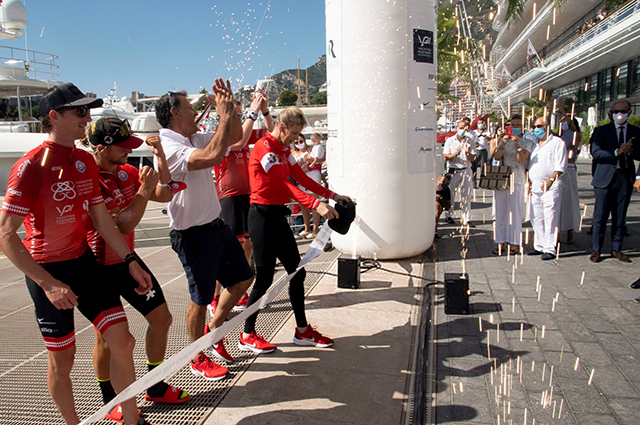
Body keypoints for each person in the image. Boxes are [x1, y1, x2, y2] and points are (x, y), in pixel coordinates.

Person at [0, 83, 153, 425]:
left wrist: (130, 261)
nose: (88, 118)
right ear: (54, 117)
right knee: (63, 359)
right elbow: (6, 236)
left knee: (122, 340)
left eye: (88, 111)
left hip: (82, 261)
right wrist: (48, 284)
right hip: (46, 270)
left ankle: (131, 420)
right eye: (80, 112)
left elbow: (101, 220)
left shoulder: (84, 159)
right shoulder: (29, 167)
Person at [83, 118, 190, 420]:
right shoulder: (89, 178)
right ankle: (111, 401)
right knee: (107, 338)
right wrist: (143, 190)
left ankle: (153, 386)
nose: (129, 152)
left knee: (162, 318)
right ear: (103, 148)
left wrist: (160, 158)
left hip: (127, 260)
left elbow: (167, 193)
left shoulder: (124, 171)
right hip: (97, 266)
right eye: (123, 147)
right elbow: (124, 222)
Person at [155, 80, 254, 381]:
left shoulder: (194, 136)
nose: (196, 111)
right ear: (174, 113)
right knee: (199, 299)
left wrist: (232, 108)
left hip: (216, 227)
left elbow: (234, 136)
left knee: (243, 278)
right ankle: (196, 355)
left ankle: (213, 329)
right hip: (192, 235)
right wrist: (223, 115)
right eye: (189, 107)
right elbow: (212, 157)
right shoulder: (169, 144)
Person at [239, 106, 352, 354]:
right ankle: (247, 334)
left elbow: (301, 177)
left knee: (297, 274)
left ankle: (302, 331)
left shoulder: (283, 150)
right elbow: (281, 183)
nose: (297, 140)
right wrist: (314, 203)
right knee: (265, 278)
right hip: (261, 217)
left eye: (299, 136)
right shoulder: (264, 148)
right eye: (294, 134)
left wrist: (332, 194)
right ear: (282, 127)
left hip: (278, 216)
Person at [208, 92, 274, 318]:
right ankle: (216, 298)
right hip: (229, 197)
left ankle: (239, 291)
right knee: (228, 251)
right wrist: (252, 112)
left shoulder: (245, 131)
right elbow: (241, 141)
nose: (240, 120)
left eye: (240, 116)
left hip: (247, 196)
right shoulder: (222, 136)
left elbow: (272, 134)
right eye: (236, 116)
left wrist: (264, 111)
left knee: (248, 246)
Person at [589, 99, 640, 263]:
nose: (620, 115)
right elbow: (596, 152)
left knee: (620, 216)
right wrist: (617, 152)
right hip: (605, 178)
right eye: (616, 112)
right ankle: (596, 249)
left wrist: (631, 151)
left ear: (629, 113)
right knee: (600, 216)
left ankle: (617, 248)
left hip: (624, 177)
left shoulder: (635, 131)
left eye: (623, 112)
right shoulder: (601, 131)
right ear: (611, 113)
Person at [490, 114, 533, 255]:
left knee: (515, 213)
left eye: (517, 125)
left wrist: (517, 145)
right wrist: (502, 143)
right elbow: (496, 157)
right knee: (500, 212)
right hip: (502, 179)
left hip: (517, 178)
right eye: (512, 125)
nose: (514, 127)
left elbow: (522, 160)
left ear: (522, 127)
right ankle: (500, 241)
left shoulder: (527, 142)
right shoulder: (504, 140)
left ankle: (514, 242)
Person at [527, 116, 567, 261]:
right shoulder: (534, 144)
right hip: (535, 185)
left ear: (547, 126)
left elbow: (561, 166)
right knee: (536, 216)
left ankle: (550, 247)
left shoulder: (557, 142)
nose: (536, 129)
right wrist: (529, 183)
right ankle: (539, 245)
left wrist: (550, 180)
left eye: (539, 126)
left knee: (550, 216)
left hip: (550, 185)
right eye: (534, 126)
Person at [557, 100, 583, 244]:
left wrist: (563, 111)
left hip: (570, 169)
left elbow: (573, 129)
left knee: (569, 202)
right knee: (558, 201)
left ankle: (570, 231)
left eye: (566, 121)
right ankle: (558, 232)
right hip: (559, 169)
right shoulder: (559, 136)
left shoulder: (575, 135)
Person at [443, 120, 477, 226]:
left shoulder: (470, 141)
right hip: (454, 169)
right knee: (451, 193)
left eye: (465, 128)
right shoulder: (450, 141)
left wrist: (467, 153)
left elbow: (473, 157)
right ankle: (448, 215)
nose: (462, 130)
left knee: (466, 194)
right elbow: (446, 157)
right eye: (461, 128)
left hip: (466, 169)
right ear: (456, 128)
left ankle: (466, 218)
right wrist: (455, 154)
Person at [291, 134, 319, 238]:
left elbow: (318, 160)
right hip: (300, 180)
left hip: (312, 177)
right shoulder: (293, 153)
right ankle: (307, 228)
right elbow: (292, 167)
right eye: (296, 142)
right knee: (303, 206)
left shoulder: (311, 150)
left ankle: (315, 230)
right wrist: (302, 162)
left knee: (314, 205)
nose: (299, 144)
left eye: (300, 141)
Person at [473, 118, 491, 187]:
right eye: (479, 123)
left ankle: (482, 182)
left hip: (483, 150)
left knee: (483, 166)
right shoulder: (474, 132)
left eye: (482, 123)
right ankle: (474, 182)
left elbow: (490, 138)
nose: (480, 125)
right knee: (474, 166)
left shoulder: (486, 132)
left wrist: (486, 137)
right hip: (476, 150)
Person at [435, 173, 452, 239]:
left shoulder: (446, 190)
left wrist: (441, 199)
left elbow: (448, 206)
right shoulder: (429, 185)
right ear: (437, 180)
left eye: (446, 184)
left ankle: (434, 228)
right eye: (443, 182)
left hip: (437, 205)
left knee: (437, 205)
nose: (444, 185)